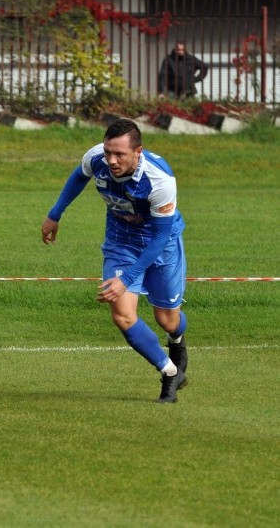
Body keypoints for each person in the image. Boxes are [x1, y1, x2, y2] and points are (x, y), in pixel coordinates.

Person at [41, 118, 189, 403]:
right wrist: (54, 214)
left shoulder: (160, 180)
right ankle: (170, 372)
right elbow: (78, 176)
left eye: (119, 154)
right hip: (120, 241)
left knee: (167, 320)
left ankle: (177, 340)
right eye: (109, 151)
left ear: (138, 152)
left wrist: (128, 279)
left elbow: (159, 237)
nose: (111, 159)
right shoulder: (96, 157)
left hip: (162, 244)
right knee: (122, 314)